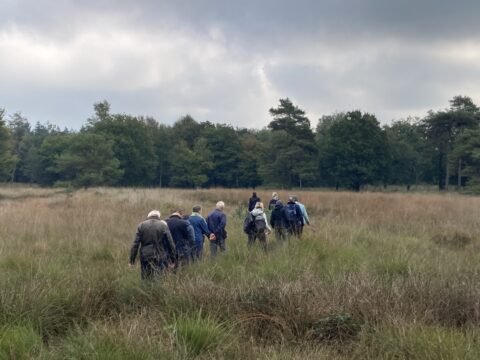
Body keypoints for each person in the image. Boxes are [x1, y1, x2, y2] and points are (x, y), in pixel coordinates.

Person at [129, 210, 176, 280]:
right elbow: (170, 243)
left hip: (145, 255)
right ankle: (156, 290)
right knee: (159, 277)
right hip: (159, 255)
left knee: (145, 277)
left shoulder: (141, 225)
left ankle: (145, 289)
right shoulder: (163, 225)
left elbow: (135, 244)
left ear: (148, 216)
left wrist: (132, 261)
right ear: (158, 216)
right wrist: (173, 259)